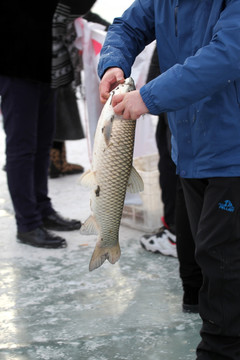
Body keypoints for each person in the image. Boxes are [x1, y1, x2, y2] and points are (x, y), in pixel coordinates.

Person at [97, 1, 240, 359]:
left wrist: (148, 97)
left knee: (223, 259)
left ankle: (221, 350)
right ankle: (206, 311)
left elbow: (226, 55)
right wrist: (114, 62)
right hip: (190, 146)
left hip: (232, 152)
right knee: (198, 250)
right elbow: (128, 26)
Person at [0, 1, 95, 249]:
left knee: (44, 143)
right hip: (16, 62)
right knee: (22, 147)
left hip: (49, 61)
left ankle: (42, 209)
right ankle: (28, 223)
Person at [139, 47, 178, 258]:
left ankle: (175, 233)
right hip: (171, 85)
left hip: (176, 88)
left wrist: (150, 94)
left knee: (173, 161)